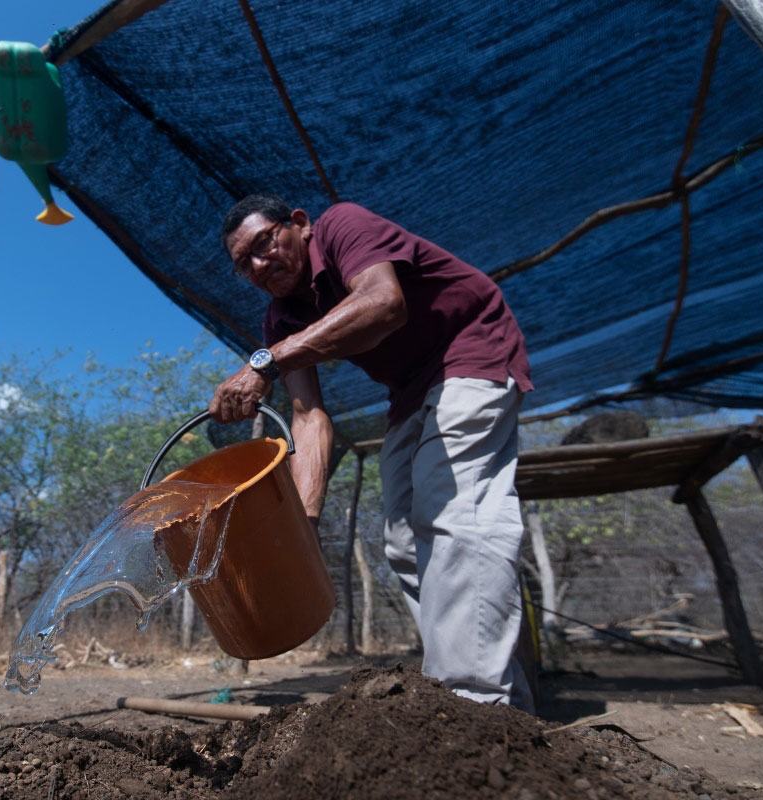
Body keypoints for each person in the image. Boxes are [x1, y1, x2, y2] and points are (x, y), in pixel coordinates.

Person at [209, 195, 534, 709]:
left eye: (263, 244)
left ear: (299, 224)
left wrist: (267, 362)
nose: (257, 265)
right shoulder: (280, 321)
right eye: (242, 263)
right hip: (408, 390)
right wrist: (304, 525)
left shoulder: (343, 224)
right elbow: (308, 420)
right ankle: (480, 684)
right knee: (403, 540)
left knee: (454, 511)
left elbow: (384, 303)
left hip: (470, 348)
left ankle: (476, 702)